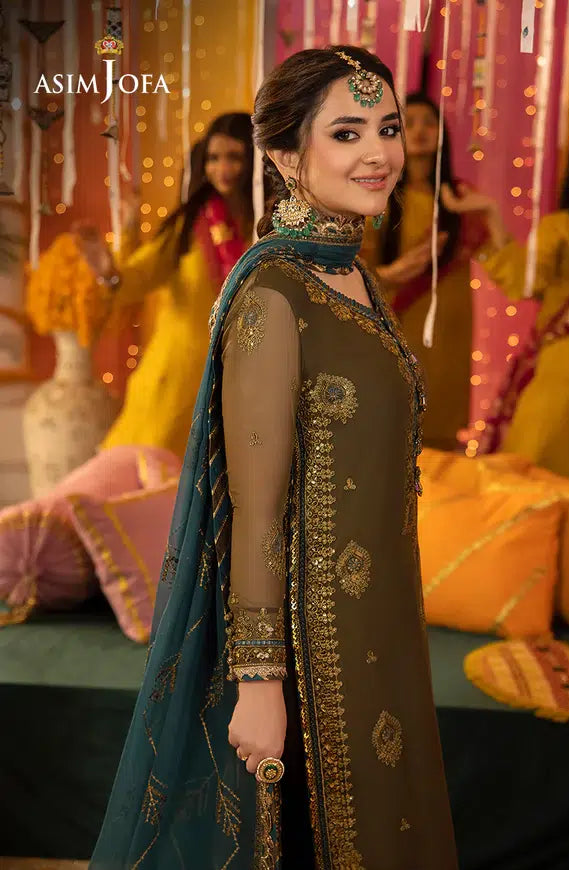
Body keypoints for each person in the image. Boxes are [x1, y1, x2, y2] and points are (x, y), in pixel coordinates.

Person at [88, 47, 458, 869]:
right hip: (308, 652)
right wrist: (260, 685)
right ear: (287, 156)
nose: (379, 153)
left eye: (388, 129)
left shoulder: (353, 278)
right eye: (347, 133)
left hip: (381, 625)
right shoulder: (273, 294)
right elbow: (255, 511)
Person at [78, 112, 255, 458]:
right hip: (176, 379)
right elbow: (140, 275)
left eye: (234, 157)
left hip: (239, 382)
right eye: (213, 158)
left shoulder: (266, 224)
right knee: (149, 475)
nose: (223, 169)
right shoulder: (190, 226)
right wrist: (108, 272)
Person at [444, 115, 569, 480]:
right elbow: (523, 282)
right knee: (545, 469)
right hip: (566, 368)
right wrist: (492, 215)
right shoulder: (560, 228)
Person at [362, 94, 504, 451]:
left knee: (440, 438)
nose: (420, 130)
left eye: (429, 122)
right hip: (398, 323)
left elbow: (506, 269)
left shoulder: (460, 199)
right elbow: (357, 268)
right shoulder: (379, 195)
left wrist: (489, 211)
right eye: (409, 123)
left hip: (449, 335)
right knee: (392, 432)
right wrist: (392, 273)